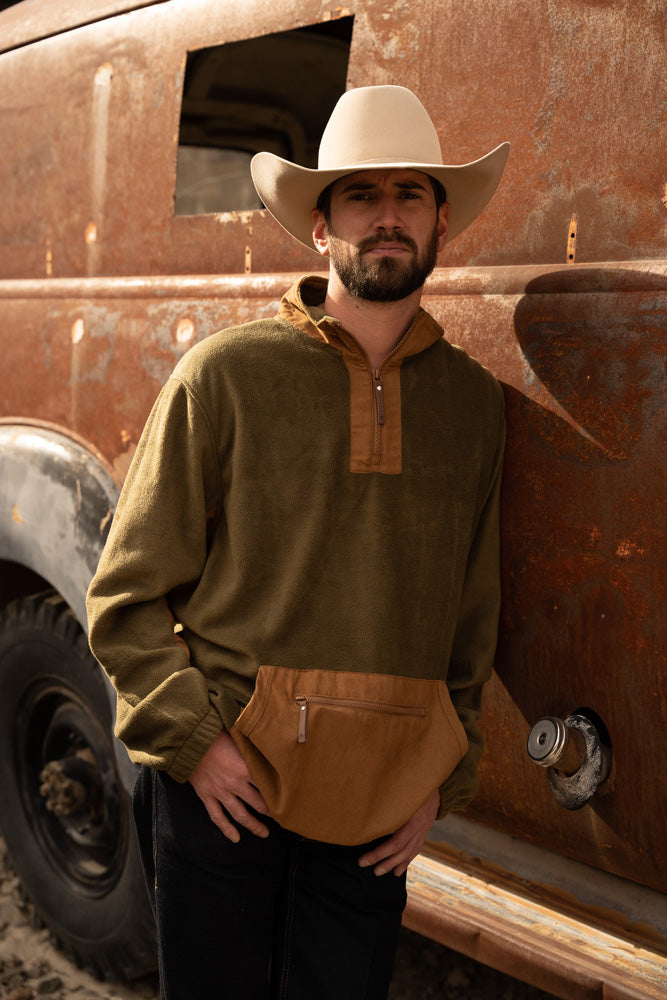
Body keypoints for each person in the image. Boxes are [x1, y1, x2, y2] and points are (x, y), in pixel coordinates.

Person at [86, 85, 509, 1000]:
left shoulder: (474, 408)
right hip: (224, 787)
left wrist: (446, 774)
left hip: (379, 807)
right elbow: (124, 594)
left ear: (441, 221)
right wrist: (194, 740)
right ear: (320, 226)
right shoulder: (226, 375)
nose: (387, 216)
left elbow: (471, 621)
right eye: (361, 195)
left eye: (409, 194)